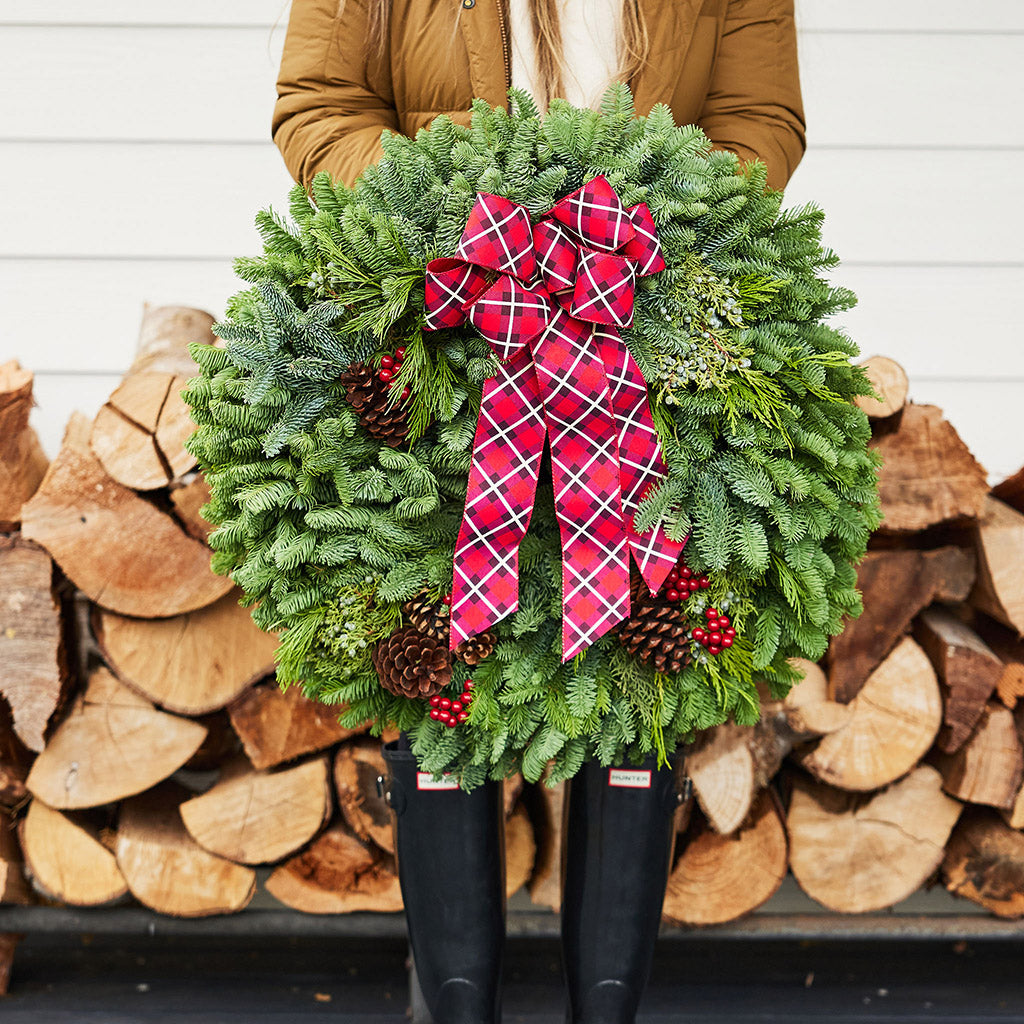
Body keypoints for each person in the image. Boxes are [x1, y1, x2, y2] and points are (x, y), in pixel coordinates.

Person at [271, 3, 805, 1022]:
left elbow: (756, 119)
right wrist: (468, 220)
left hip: (638, 331)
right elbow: (322, 106)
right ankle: (455, 1004)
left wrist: (636, 233)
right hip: (439, 332)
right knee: (440, 658)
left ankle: (605, 1010)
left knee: (636, 651)